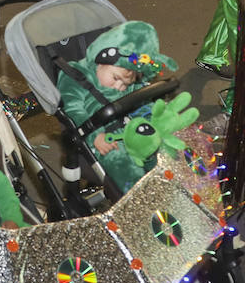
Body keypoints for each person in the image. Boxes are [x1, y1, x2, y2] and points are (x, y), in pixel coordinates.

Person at [56, 20, 189, 192]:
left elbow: (141, 100)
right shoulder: (75, 75)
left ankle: (177, 191)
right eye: (116, 78)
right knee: (125, 167)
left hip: (133, 132)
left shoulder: (123, 80)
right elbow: (72, 110)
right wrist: (94, 136)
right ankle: (140, 203)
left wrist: (157, 118)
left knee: (167, 151)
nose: (119, 87)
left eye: (125, 83)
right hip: (105, 141)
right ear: (100, 61)